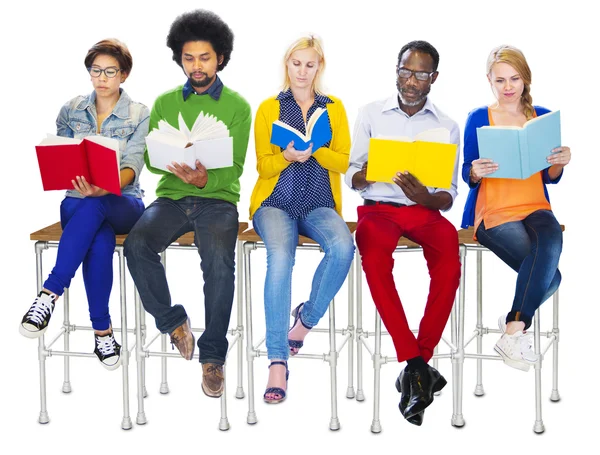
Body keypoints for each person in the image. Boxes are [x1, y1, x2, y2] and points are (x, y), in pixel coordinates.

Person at [124, 10, 251, 398]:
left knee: (218, 264)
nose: (197, 66)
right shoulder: (163, 103)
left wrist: (205, 179)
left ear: (221, 59)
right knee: (137, 244)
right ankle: (174, 321)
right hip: (172, 197)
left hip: (217, 201)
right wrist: (172, 164)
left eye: (205, 58)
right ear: (180, 59)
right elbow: (149, 159)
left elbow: (236, 168)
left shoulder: (238, 106)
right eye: (189, 58)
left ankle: (213, 357)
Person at [346, 40, 460, 425]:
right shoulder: (370, 113)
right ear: (396, 70)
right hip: (379, 210)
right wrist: (374, 171)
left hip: (423, 212)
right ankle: (417, 366)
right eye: (405, 71)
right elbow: (352, 175)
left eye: (421, 74)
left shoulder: (446, 125)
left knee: (449, 260)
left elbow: (449, 196)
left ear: (434, 78)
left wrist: (426, 197)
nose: (411, 81)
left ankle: (417, 365)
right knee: (375, 261)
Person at [20, 39, 149, 370]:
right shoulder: (71, 109)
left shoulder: (139, 114)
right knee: (98, 235)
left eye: (110, 71)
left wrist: (104, 186)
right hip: (78, 203)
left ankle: (49, 293)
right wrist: (72, 177)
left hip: (124, 203)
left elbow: (134, 163)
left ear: (124, 75)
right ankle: (102, 331)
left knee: (99, 208)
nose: (101, 77)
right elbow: (61, 157)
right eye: (95, 70)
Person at [249, 35, 354, 404]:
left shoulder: (334, 107)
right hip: (275, 201)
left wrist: (319, 151)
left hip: (318, 201)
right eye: (296, 63)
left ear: (319, 67)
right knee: (280, 257)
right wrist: (287, 156)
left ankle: (305, 320)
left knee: (343, 247)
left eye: (310, 64)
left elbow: (346, 161)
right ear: (287, 64)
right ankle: (278, 359)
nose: (302, 71)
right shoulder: (268, 108)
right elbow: (262, 165)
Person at [461, 45, 569, 372]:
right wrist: (475, 171)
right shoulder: (479, 117)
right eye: (500, 80)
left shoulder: (542, 117)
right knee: (550, 278)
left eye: (514, 79)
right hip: (494, 212)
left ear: (525, 79)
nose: (508, 87)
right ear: (489, 81)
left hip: (535, 206)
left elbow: (551, 177)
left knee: (552, 241)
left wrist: (559, 162)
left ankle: (513, 328)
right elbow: (468, 172)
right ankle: (517, 324)